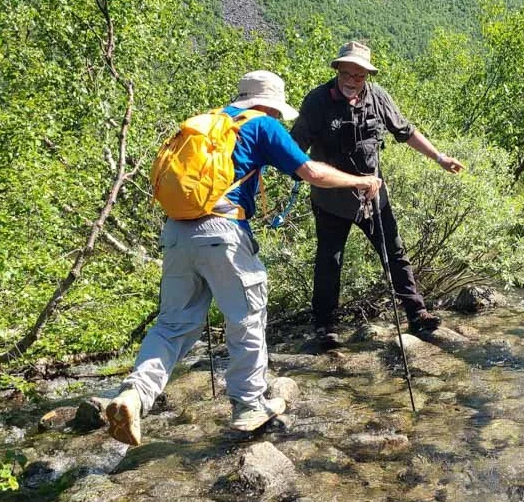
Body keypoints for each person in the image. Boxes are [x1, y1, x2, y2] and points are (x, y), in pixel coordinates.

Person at [105, 70, 382, 446]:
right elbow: (311, 172)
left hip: (176, 232)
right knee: (247, 317)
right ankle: (249, 404)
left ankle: (134, 395)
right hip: (222, 233)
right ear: (268, 103)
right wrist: (361, 181)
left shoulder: (208, 123)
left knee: (171, 325)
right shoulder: (262, 126)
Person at [290, 40, 464, 352]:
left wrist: (439, 157)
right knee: (329, 262)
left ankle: (416, 313)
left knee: (394, 253)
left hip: (372, 196)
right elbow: (293, 148)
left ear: (367, 76)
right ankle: (325, 328)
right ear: (338, 70)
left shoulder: (377, 96)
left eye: (359, 76)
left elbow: (405, 131)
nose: (352, 81)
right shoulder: (316, 102)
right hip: (331, 200)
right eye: (347, 73)